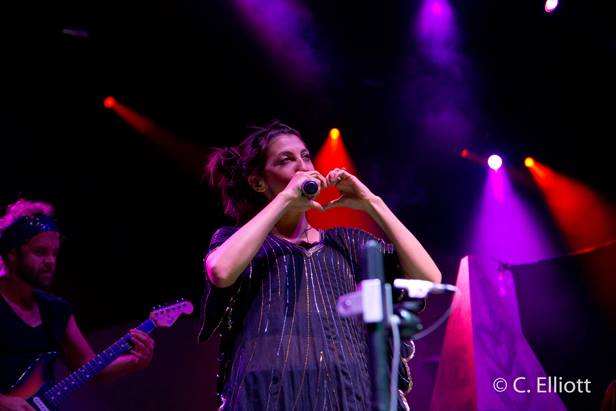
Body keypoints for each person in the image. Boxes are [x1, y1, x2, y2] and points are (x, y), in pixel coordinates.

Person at [199, 120, 441, 410]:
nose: (302, 166)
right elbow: (221, 272)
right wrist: (286, 198)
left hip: (348, 393)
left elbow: (429, 278)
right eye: (286, 160)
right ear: (258, 182)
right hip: (267, 394)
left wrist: (371, 202)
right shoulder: (236, 241)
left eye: (305, 156)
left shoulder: (346, 242)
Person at [0, 199, 155, 411]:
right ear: (11, 253)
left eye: (54, 253)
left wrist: (135, 362)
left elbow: (87, 368)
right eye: (40, 252)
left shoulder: (56, 310)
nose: (50, 261)